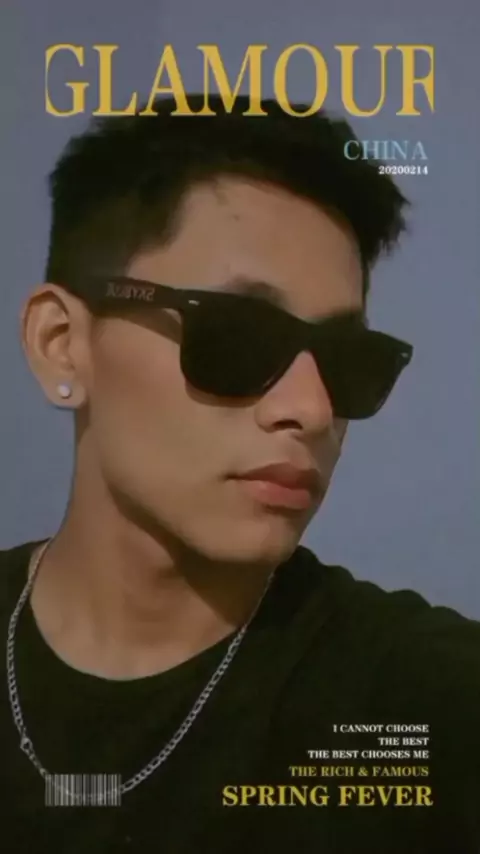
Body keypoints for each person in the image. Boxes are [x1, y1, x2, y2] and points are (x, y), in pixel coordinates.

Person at [1, 94, 478, 854]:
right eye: (238, 335)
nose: (311, 410)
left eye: (348, 361)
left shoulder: (427, 700)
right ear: (61, 343)